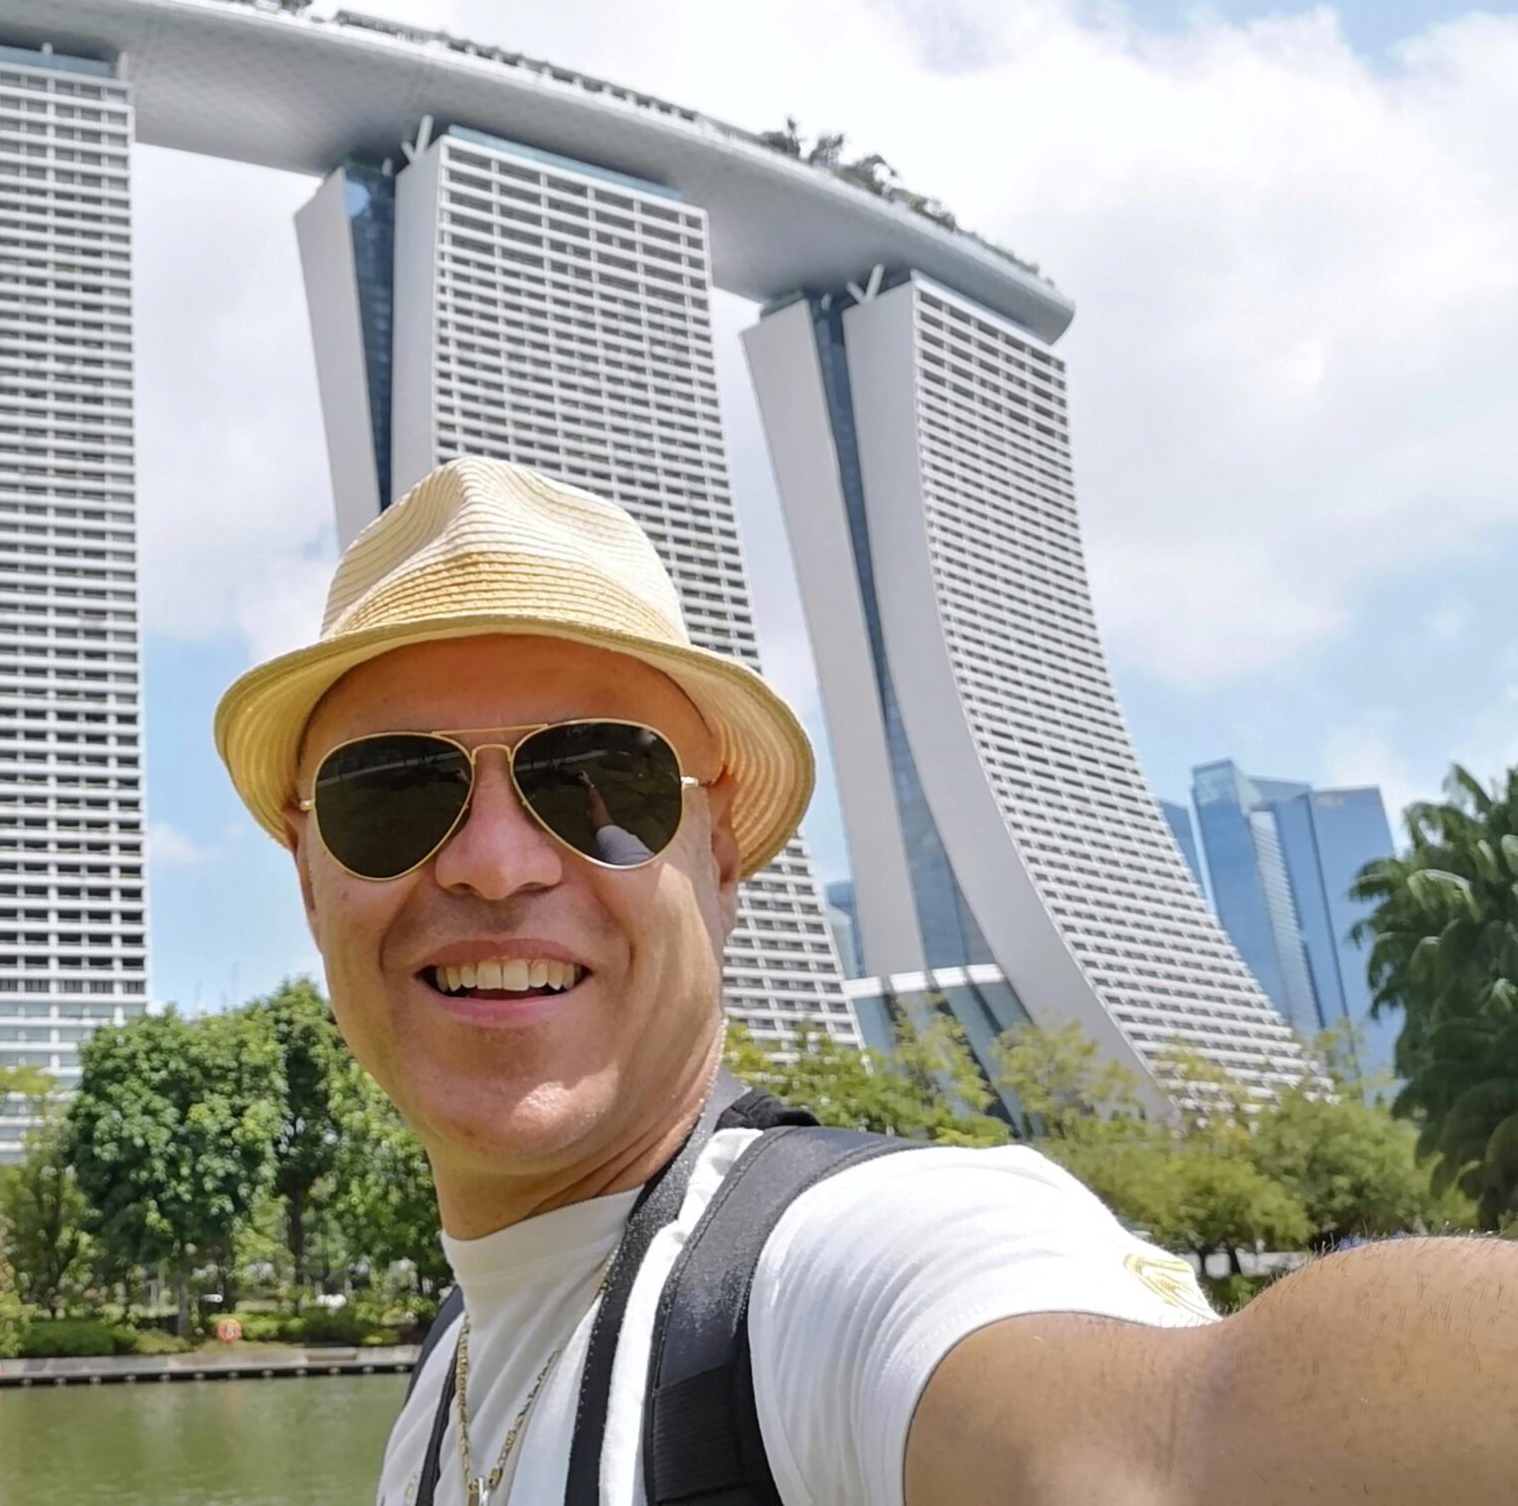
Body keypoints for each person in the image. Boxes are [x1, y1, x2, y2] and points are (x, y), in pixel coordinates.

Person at [214, 455, 1518, 1506]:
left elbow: (1178, 1444)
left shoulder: (834, 1278)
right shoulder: (448, 1373)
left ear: (719, 856)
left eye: (592, 783)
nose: (495, 864)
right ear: (311, 870)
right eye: (394, 795)